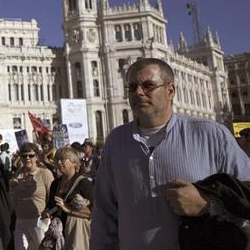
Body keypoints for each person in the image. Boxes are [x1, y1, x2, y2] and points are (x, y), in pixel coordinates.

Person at [91, 58, 250, 250]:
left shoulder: (211, 135)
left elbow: (246, 192)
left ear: (170, 91)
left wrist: (210, 204)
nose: (138, 92)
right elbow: (104, 214)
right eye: (132, 87)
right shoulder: (116, 142)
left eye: (148, 85)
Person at [44, 147, 92, 250]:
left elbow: (94, 211)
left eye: (63, 159)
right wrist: (47, 212)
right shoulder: (55, 184)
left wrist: (69, 209)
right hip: (58, 234)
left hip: (76, 233)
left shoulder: (84, 183)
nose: (59, 162)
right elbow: (51, 206)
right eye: (57, 160)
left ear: (74, 163)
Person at [10, 143, 54, 249]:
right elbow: (13, 198)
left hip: (38, 221)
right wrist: (11, 187)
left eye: (31, 155)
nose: (27, 158)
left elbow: (51, 197)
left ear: (37, 157)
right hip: (20, 220)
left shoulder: (45, 173)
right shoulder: (18, 173)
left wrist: (46, 219)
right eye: (24, 156)